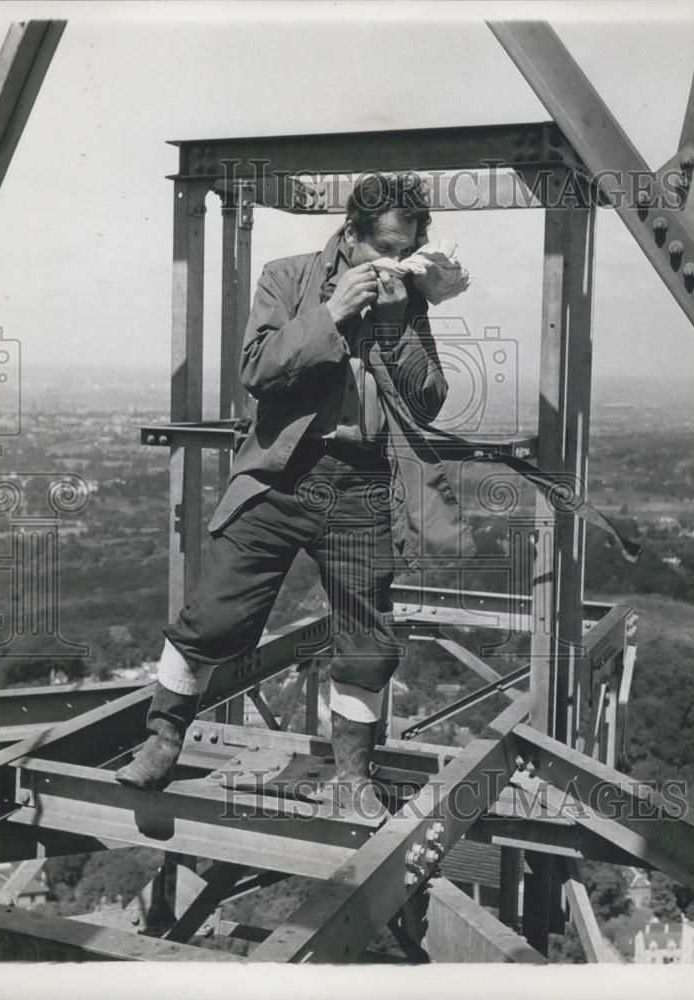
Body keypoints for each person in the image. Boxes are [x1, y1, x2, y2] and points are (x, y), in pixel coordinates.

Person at [116, 172, 448, 818]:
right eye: (381, 247)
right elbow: (257, 369)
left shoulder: (404, 300)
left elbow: (429, 399)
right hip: (279, 476)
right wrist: (330, 316)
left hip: (359, 483)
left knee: (366, 641)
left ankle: (352, 776)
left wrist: (394, 324)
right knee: (215, 616)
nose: (391, 263)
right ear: (348, 235)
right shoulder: (286, 277)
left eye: (402, 251)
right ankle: (162, 738)